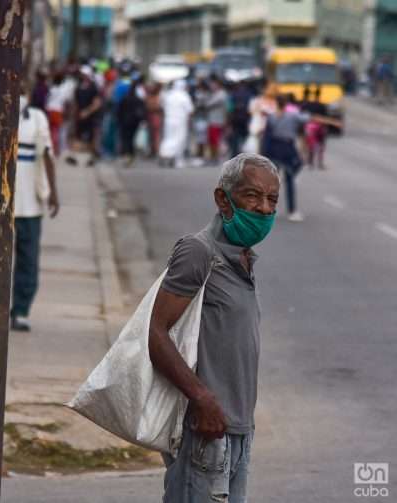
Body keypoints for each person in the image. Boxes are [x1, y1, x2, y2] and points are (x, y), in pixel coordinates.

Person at [150, 153, 280, 503]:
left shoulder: (242, 258)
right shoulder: (199, 252)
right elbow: (157, 334)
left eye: (272, 199)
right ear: (223, 199)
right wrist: (202, 399)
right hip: (204, 431)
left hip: (236, 430)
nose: (265, 209)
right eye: (252, 196)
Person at [10, 89, 61, 332]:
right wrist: (53, 193)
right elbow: (49, 156)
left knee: (26, 261)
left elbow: (47, 155)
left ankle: (19, 310)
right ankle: (15, 311)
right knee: (24, 262)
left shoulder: (36, 118)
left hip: (29, 203)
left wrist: (52, 192)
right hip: (8, 203)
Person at [262, 94, 306, 222]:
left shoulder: (271, 117)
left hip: (274, 150)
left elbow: (266, 136)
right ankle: (292, 211)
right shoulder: (292, 116)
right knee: (290, 180)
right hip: (287, 149)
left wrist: (264, 153)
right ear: (286, 104)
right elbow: (305, 119)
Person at [159, 80, 194, 168]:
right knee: (179, 139)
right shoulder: (184, 95)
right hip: (180, 121)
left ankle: (164, 153)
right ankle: (177, 160)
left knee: (169, 137)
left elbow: (162, 106)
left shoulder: (168, 95)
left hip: (168, 120)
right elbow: (190, 110)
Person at [73, 66, 103, 166]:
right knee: (78, 137)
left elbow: (97, 103)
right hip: (80, 116)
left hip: (90, 117)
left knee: (91, 138)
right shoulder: (78, 87)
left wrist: (87, 111)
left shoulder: (93, 87)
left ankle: (91, 158)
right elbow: (76, 102)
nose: (82, 76)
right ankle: (75, 157)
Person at [116, 74, 146, 166]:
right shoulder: (138, 99)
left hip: (126, 122)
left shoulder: (125, 98)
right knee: (131, 138)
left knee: (126, 138)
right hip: (134, 122)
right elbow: (142, 112)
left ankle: (127, 155)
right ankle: (130, 155)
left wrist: (120, 120)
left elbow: (119, 111)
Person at [206, 77, 228, 164]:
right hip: (212, 120)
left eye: (213, 84)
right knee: (211, 140)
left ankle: (216, 158)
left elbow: (208, 104)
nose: (211, 86)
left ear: (218, 85)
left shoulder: (221, 94)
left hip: (217, 121)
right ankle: (213, 157)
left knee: (215, 140)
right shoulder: (214, 94)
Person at [191, 80, 210, 165]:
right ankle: (199, 156)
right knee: (199, 139)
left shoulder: (204, 96)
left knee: (201, 139)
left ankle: (200, 157)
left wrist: (197, 105)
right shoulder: (202, 95)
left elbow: (201, 107)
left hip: (203, 119)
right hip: (199, 119)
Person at [145, 83, 163, 158]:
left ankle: (155, 150)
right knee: (153, 135)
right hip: (153, 117)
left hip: (154, 117)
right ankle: (153, 150)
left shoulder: (156, 97)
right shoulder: (152, 97)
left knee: (155, 135)